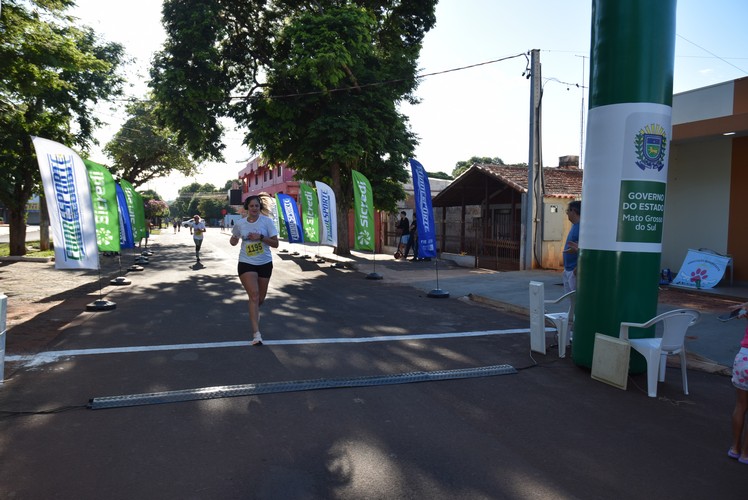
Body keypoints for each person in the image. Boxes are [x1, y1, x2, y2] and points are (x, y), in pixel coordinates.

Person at [230, 195, 279, 346]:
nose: (254, 209)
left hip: (264, 263)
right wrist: (234, 240)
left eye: (257, 206)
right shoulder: (240, 224)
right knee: (254, 295)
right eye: (251, 206)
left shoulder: (267, 222)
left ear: (260, 207)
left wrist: (261, 237)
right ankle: (256, 334)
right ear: (247, 208)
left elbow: (276, 244)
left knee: (260, 299)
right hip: (246, 263)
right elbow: (233, 240)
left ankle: (254, 312)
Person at [729, 304, 748, 464]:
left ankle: (735, 448)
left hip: (744, 358)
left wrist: (743, 309)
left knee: (741, 405)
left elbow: (743, 312)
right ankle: (746, 454)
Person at [562, 200, 581, 293]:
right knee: (571, 300)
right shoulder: (574, 226)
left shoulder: (581, 228)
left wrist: (576, 269)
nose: (567, 214)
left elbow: (582, 249)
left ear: (573, 211)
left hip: (573, 270)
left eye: (567, 211)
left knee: (575, 299)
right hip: (568, 269)